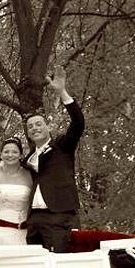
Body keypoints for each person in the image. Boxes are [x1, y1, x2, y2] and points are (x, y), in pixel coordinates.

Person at [23, 71, 85, 252]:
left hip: (59, 216)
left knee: (59, 266)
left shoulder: (62, 145)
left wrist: (62, 92)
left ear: (48, 126)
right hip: (34, 220)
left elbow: (78, 123)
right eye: (30, 126)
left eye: (39, 124)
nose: (35, 128)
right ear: (28, 133)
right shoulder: (28, 159)